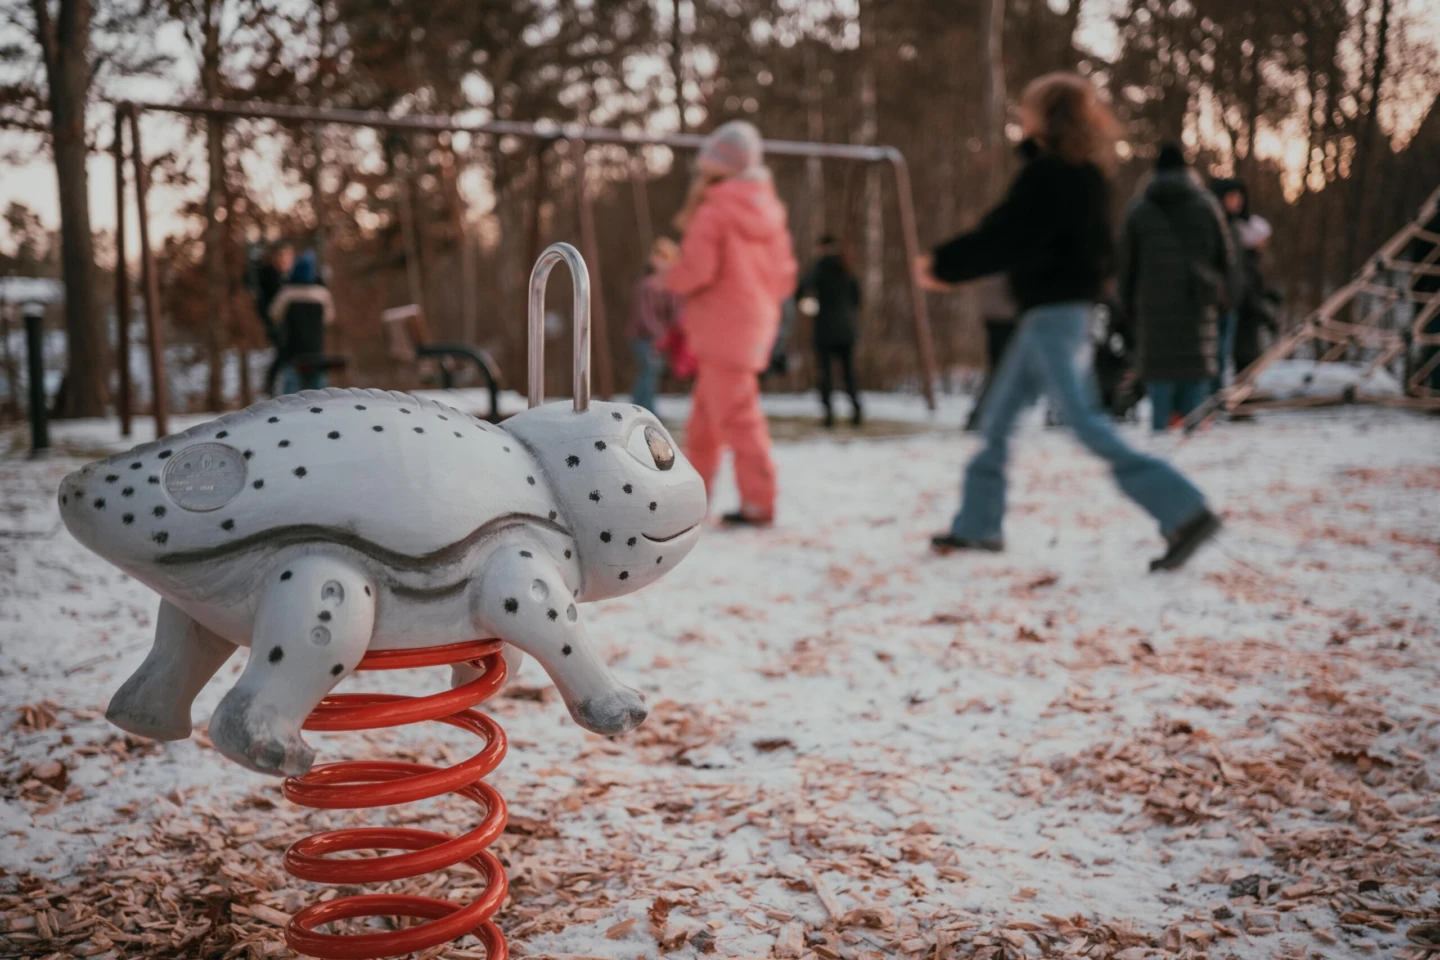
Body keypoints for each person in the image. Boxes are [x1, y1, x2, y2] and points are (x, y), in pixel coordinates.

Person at [915, 73, 1220, 572]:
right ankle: (977, 524)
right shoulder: (1086, 176)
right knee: (997, 423)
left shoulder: (1049, 177)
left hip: (1054, 317)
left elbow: (1004, 235)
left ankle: (1183, 509)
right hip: (1053, 314)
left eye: (1028, 108)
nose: (1021, 115)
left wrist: (943, 266)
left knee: (1085, 423)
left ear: (1046, 117)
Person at [663, 120, 798, 527]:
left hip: (722, 329)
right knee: (704, 424)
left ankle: (759, 502)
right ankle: (692, 498)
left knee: (739, 420)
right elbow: (785, 277)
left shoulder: (715, 210)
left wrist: (669, 274)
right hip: (754, 325)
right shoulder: (770, 211)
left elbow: (697, 271)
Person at [1119, 142, 1236, 431]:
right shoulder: (1207, 205)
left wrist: (1127, 305)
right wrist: (1223, 295)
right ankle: (1191, 456)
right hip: (1197, 307)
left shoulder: (1138, 209)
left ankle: (1160, 448)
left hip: (1153, 312)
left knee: (1160, 382)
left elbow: (1126, 266)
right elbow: (1227, 258)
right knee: (1195, 382)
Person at [796, 235, 863, 427]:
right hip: (847, 329)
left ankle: (829, 415)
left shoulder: (820, 268)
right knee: (849, 371)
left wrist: (808, 304)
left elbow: (800, 290)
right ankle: (856, 410)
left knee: (826, 372)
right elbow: (857, 298)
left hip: (825, 329)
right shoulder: (847, 268)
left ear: (821, 247)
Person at [269, 250, 335, 394]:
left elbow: (274, 315)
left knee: (290, 399)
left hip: (293, 352)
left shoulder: (286, 293)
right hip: (316, 351)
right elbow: (328, 319)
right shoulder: (322, 294)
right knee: (320, 394)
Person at [629, 237, 682, 415]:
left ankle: (643, 406)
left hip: (660, 337)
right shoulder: (646, 285)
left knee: (653, 370)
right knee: (650, 368)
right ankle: (642, 407)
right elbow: (645, 315)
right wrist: (658, 333)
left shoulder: (671, 287)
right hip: (642, 336)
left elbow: (676, 312)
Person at [254, 243, 294, 395]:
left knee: (287, 354)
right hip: (274, 321)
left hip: (288, 323)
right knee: (283, 352)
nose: (285, 261)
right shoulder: (267, 274)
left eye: (288, 257)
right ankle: (272, 385)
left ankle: (279, 386)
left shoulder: (289, 277)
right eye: (282, 257)